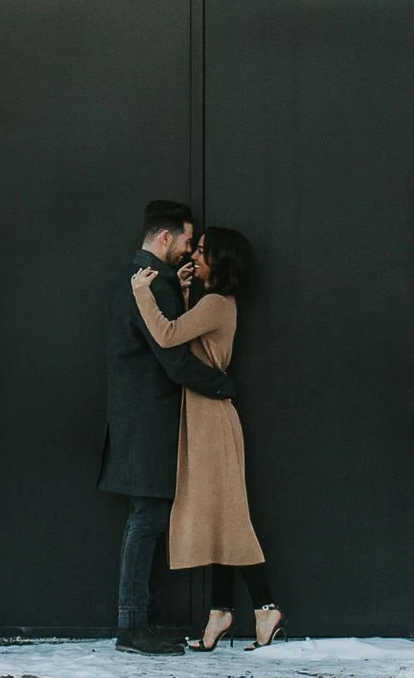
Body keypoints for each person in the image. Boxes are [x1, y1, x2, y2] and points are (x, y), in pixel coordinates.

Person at [130, 226, 281, 651]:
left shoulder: (217, 303)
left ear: (220, 260)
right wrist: (181, 295)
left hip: (211, 420)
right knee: (216, 516)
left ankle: (266, 606)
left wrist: (142, 292)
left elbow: (167, 335)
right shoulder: (212, 302)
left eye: (201, 251)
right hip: (202, 416)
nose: (194, 255)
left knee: (229, 517)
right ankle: (219, 613)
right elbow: (186, 332)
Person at [100, 200, 235, 655]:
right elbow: (174, 360)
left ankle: (136, 622)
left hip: (138, 417)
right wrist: (222, 384)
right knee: (147, 520)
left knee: (148, 518)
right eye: (184, 240)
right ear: (165, 238)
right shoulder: (151, 286)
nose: (188, 250)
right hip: (150, 421)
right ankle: (131, 626)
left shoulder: (140, 280)